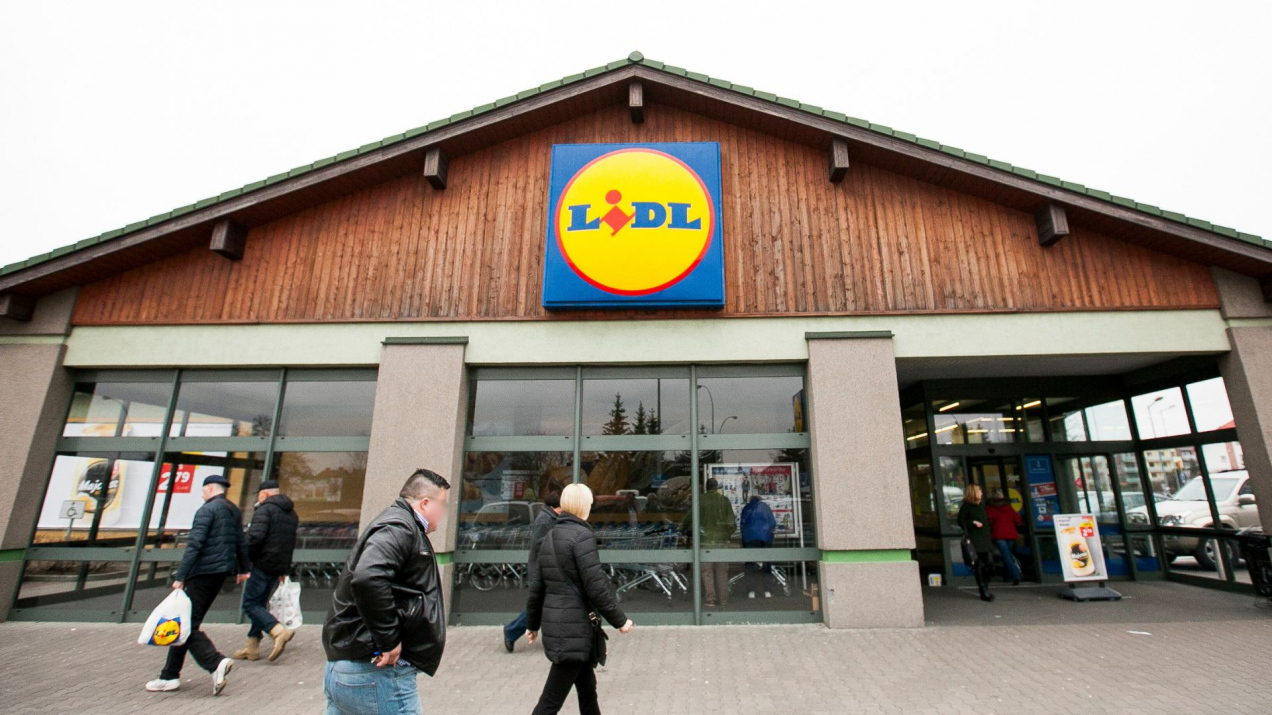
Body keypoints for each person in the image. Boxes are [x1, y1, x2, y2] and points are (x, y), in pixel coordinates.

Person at [322, 469, 451, 715]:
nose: (443, 513)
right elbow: (368, 578)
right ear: (425, 503)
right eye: (442, 505)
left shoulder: (398, 524)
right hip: (374, 672)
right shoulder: (399, 527)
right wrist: (389, 640)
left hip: (350, 668)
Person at [525, 483, 633, 715]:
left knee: (587, 690)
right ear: (584, 505)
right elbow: (596, 587)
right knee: (549, 704)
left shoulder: (550, 535)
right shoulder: (582, 536)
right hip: (573, 631)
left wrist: (532, 625)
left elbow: (537, 587)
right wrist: (620, 621)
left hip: (563, 628)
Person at [145, 474, 250, 695]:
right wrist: (243, 568)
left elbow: (195, 544)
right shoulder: (232, 509)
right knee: (187, 622)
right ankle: (169, 675)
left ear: (210, 488)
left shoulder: (207, 510)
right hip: (220, 573)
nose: (202, 495)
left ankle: (215, 662)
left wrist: (181, 576)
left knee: (187, 625)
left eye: (203, 490)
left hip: (202, 573)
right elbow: (241, 541)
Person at [233, 479, 299, 662]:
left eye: (259, 495)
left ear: (266, 494)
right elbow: (289, 543)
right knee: (259, 605)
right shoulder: (291, 513)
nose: (258, 499)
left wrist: (244, 562)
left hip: (262, 563)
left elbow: (254, 538)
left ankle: (277, 631)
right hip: (277, 566)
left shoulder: (265, 510)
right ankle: (252, 647)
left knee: (250, 604)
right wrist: (284, 569)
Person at [504, 490, 562, 653]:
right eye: (562, 507)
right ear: (554, 506)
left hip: (546, 568)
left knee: (547, 605)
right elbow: (539, 545)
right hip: (542, 570)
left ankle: (555, 638)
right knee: (540, 606)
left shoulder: (551, 517)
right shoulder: (544, 520)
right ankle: (511, 631)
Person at [698, 478, 737, 607]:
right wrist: (727, 534)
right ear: (716, 488)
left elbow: (690, 518)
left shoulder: (700, 500)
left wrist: (683, 527)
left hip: (706, 542)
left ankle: (710, 599)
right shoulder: (724, 500)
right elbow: (731, 523)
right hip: (722, 541)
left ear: (706, 487)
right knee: (722, 571)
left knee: (707, 572)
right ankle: (723, 600)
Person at [957, 484, 995, 602]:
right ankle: (983, 589)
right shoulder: (966, 506)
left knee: (989, 563)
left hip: (985, 538)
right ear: (973, 493)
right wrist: (972, 522)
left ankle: (986, 585)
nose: (981, 493)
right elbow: (960, 521)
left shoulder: (981, 505)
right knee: (979, 564)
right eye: (979, 491)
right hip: (975, 539)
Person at [739, 494, 777, 599]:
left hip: (750, 539)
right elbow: (773, 523)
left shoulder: (746, 508)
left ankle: (751, 591)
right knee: (766, 563)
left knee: (749, 564)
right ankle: (767, 591)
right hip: (765, 538)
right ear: (760, 500)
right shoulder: (765, 507)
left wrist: (744, 539)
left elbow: (742, 524)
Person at [986, 488, 1022, 586]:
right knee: (1007, 555)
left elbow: (988, 521)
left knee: (1006, 555)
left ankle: (1014, 576)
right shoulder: (1008, 507)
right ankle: (1010, 576)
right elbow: (1018, 520)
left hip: (998, 534)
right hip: (1010, 534)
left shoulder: (989, 508)